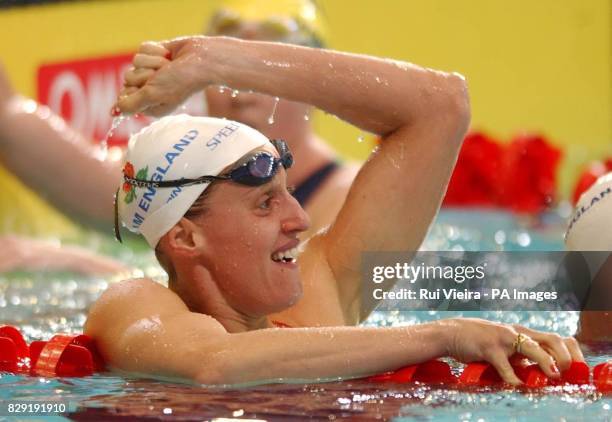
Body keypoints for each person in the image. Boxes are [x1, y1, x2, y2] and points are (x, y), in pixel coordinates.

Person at [84, 35, 583, 385]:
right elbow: (213, 364)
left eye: (289, 193)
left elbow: (441, 104)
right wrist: (444, 334)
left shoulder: (320, 291)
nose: (299, 220)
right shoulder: (130, 306)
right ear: (186, 239)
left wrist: (213, 62)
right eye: (265, 204)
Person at [201, 0, 360, 240]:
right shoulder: (178, 184)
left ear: (313, 89)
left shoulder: (348, 196)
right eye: (226, 77)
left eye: (263, 79)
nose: (242, 97)